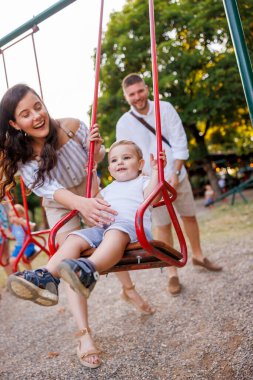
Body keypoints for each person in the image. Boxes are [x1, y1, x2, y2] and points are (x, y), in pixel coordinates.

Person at [0, 83, 150, 368]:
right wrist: (81, 204)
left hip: (91, 188)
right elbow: (51, 190)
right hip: (59, 201)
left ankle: (127, 289)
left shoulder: (73, 126)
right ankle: (84, 334)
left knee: (110, 234)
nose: (36, 116)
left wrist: (98, 148)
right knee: (72, 254)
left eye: (37, 106)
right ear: (14, 123)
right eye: (25, 114)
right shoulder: (22, 156)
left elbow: (99, 159)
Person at [116, 73, 222, 296]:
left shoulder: (165, 108)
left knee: (189, 216)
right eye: (132, 94)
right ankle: (172, 272)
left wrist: (174, 171)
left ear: (147, 88)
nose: (138, 97)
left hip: (177, 174)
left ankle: (198, 256)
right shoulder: (124, 124)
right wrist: (148, 181)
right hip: (151, 183)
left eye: (140, 91)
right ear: (126, 97)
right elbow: (127, 156)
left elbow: (179, 140)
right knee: (163, 226)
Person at [4, 204, 37, 270]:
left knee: (23, 258)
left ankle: (30, 272)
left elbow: (32, 226)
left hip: (28, 246)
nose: (12, 218)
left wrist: (22, 222)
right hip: (18, 247)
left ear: (22, 215)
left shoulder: (24, 223)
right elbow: (13, 237)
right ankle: (18, 274)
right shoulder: (13, 227)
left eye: (14, 216)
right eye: (10, 217)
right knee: (12, 261)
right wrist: (7, 233)